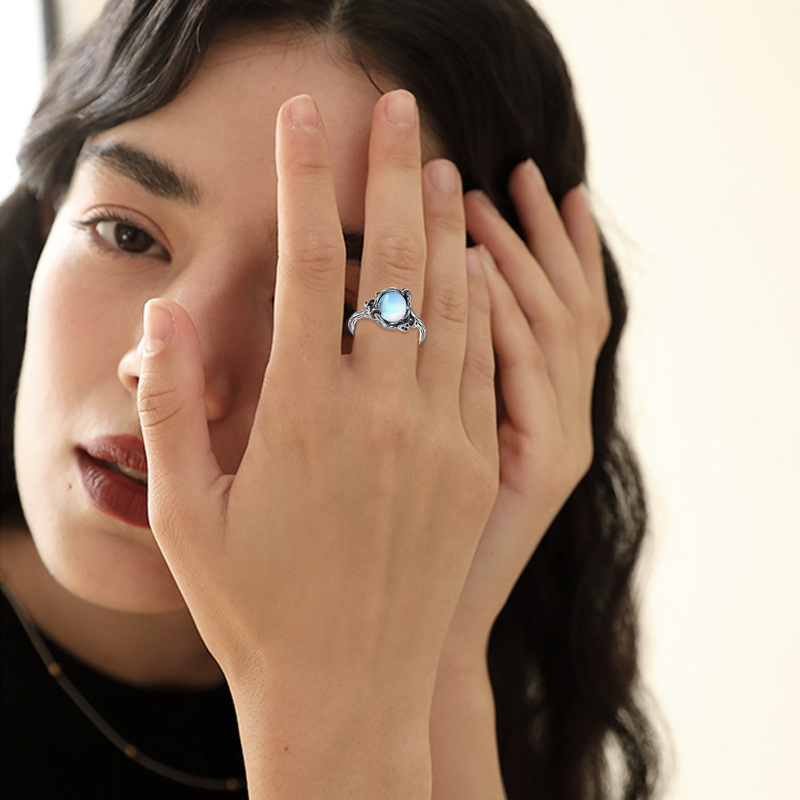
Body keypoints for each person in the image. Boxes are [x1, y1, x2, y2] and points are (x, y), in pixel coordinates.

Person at [0, 0, 661, 797]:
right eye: (128, 235)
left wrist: (438, 642)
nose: (168, 374)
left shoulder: (486, 694)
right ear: (47, 220)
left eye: (335, 304)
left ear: (484, 356)